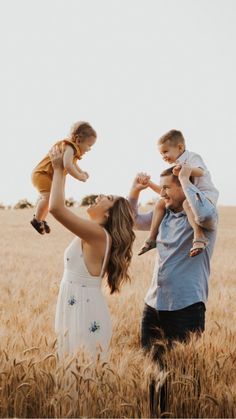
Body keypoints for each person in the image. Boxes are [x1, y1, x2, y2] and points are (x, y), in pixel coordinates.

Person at [128, 165, 218, 413]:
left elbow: (204, 215)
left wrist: (186, 179)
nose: (162, 193)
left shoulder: (204, 218)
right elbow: (134, 220)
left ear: (183, 188)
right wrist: (135, 191)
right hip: (153, 305)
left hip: (185, 307)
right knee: (153, 373)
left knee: (184, 376)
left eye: (168, 187)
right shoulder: (164, 214)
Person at [49, 145, 135, 360]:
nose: (99, 196)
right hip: (79, 305)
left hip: (84, 312)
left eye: (106, 197)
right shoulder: (95, 233)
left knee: (80, 377)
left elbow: (56, 209)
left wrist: (60, 170)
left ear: (108, 213)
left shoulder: (97, 234)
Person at [138, 129, 219, 257]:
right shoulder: (175, 167)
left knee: (187, 204)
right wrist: (149, 184)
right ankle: (152, 238)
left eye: (165, 151)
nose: (163, 156)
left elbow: (200, 172)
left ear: (180, 147)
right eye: (161, 153)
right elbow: (165, 192)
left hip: (204, 196)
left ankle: (199, 236)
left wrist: (185, 170)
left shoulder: (192, 157)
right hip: (191, 196)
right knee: (160, 203)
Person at [31, 121, 96, 235]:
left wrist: (82, 171)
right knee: (47, 198)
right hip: (42, 174)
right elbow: (68, 165)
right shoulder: (69, 147)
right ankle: (36, 220)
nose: (90, 149)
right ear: (78, 140)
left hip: (47, 175)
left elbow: (73, 164)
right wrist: (80, 176)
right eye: (89, 145)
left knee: (51, 199)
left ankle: (41, 219)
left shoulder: (73, 151)